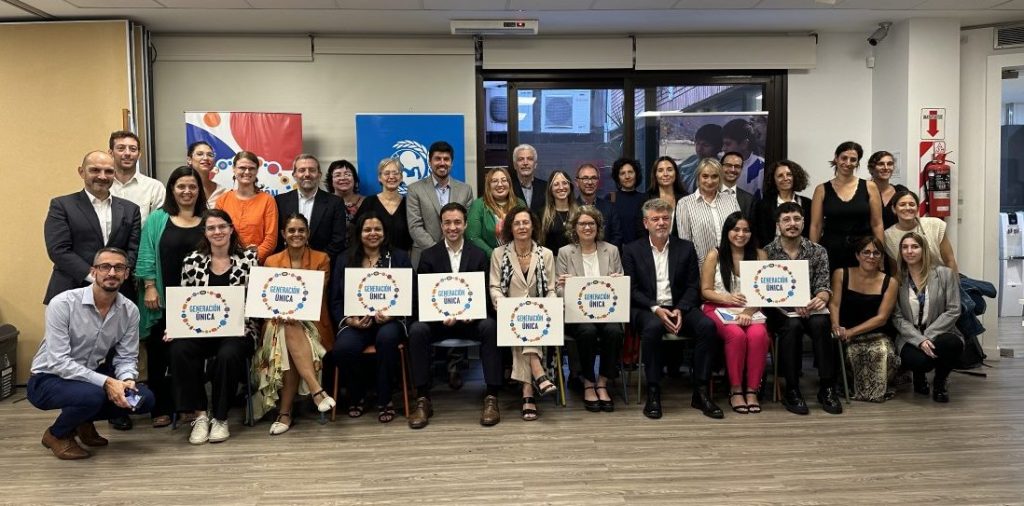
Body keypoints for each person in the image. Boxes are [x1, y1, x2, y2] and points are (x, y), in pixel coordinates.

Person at [27, 247, 155, 460]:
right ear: (93, 272)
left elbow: (126, 357)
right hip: (47, 379)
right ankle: (56, 434)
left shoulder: (130, 310)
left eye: (119, 267)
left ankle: (82, 420)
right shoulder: (63, 303)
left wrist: (127, 380)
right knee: (93, 396)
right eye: (105, 267)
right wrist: (107, 383)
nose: (112, 272)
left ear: (126, 273)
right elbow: (59, 362)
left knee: (142, 400)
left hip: (88, 379)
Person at [622, 198, 722, 420]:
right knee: (652, 328)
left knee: (707, 326)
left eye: (665, 218)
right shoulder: (632, 250)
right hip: (647, 308)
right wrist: (656, 308)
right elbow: (631, 289)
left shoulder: (685, 247)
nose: (661, 223)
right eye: (655, 219)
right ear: (646, 223)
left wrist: (680, 309)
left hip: (679, 306)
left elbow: (693, 285)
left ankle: (701, 391)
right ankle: (653, 391)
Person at [168, 209, 260, 444]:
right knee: (179, 349)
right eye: (211, 228)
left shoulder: (248, 260)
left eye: (222, 226)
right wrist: (175, 327)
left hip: (238, 330)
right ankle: (199, 416)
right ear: (205, 232)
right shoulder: (192, 261)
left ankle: (220, 417)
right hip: (200, 330)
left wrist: (243, 322)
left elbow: (255, 301)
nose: (217, 231)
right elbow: (186, 301)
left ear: (231, 229)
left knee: (228, 354)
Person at [407, 203, 503, 428]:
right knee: (417, 330)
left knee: (490, 326)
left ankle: (491, 396)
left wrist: (474, 313)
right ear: (441, 225)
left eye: (457, 222)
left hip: (470, 321)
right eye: (447, 223)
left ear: (465, 224)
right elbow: (422, 296)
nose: (452, 227)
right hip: (439, 322)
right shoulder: (429, 255)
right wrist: (438, 315)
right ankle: (423, 398)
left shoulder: (478, 254)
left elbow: (484, 293)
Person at [135, 166, 207, 428]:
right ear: (172, 190)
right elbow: (146, 252)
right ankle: (161, 407)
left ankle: (187, 405)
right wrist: (150, 286)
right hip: (163, 297)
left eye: (192, 186)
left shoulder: (208, 218)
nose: (187, 191)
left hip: (199, 302)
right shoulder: (158, 218)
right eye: (181, 186)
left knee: (188, 353)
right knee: (158, 351)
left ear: (199, 190)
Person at [253, 213, 335, 435]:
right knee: (286, 328)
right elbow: (267, 299)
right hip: (276, 322)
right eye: (291, 230)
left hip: (313, 323)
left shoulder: (321, 259)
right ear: (283, 234)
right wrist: (281, 312)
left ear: (308, 234)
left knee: (289, 334)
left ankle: (285, 413)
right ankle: (317, 391)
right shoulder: (271, 261)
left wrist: (293, 313)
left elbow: (315, 297)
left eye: (301, 230)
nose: (296, 234)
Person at [329, 212, 412, 423]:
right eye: (367, 229)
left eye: (377, 229)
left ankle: (385, 398)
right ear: (359, 233)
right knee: (343, 349)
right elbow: (336, 299)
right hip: (356, 323)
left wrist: (393, 314)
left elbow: (411, 294)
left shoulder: (399, 258)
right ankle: (358, 394)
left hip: (390, 321)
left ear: (385, 233)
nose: (372, 233)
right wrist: (349, 320)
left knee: (387, 339)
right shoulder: (345, 259)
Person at [764, 202, 843, 415]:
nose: (792, 224)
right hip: (781, 310)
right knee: (793, 326)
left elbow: (823, 284)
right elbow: (766, 291)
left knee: (821, 323)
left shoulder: (817, 251)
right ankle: (792, 389)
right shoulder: (767, 253)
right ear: (778, 224)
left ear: (803, 222)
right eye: (786, 220)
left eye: (796, 219)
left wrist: (822, 296)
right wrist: (791, 302)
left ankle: (827, 387)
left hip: (811, 307)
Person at [488, 206, 558, 421]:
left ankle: (528, 392)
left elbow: (551, 289)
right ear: (510, 228)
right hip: (509, 312)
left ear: (533, 226)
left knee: (527, 326)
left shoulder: (546, 254)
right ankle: (537, 375)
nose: (521, 227)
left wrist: (550, 306)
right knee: (520, 324)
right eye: (516, 223)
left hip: (539, 315)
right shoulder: (499, 253)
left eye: (525, 222)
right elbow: (495, 287)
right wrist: (503, 304)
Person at [44, 151, 141, 305]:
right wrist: (95, 276)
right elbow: (58, 250)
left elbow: (133, 250)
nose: (102, 176)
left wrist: (115, 275)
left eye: (108, 171)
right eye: (95, 170)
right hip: (71, 290)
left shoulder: (131, 209)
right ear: (81, 172)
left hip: (118, 292)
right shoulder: (62, 206)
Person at [555, 206, 624, 413]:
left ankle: (602, 382)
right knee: (587, 331)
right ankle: (587, 381)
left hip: (607, 313)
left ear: (598, 226)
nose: (587, 227)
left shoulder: (611, 250)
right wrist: (566, 287)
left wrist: (618, 281)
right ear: (574, 228)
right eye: (582, 224)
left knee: (615, 331)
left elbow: (621, 284)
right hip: (577, 315)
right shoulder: (565, 252)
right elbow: (557, 290)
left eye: (591, 223)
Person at [699, 212, 770, 414]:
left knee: (759, 335)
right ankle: (736, 389)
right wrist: (727, 298)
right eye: (736, 229)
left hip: (751, 310)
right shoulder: (714, 255)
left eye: (746, 230)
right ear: (727, 232)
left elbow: (763, 291)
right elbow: (705, 291)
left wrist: (748, 311)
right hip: (718, 307)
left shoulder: (760, 255)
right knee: (736, 335)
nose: (741, 234)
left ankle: (752, 390)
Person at [891, 232, 964, 403]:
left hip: (940, 331)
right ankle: (919, 376)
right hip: (910, 335)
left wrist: (928, 336)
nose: (909, 251)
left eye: (915, 247)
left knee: (952, 344)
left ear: (924, 249)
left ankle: (940, 382)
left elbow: (954, 309)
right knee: (920, 362)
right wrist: (919, 340)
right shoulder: (897, 280)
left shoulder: (945, 274)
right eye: (905, 247)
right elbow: (897, 317)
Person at [829, 236, 899, 402]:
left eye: (876, 253)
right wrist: (836, 327)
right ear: (857, 255)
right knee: (849, 353)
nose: (871, 256)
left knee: (883, 352)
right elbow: (834, 304)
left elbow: (882, 318)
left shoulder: (890, 282)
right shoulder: (841, 274)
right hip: (844, 333)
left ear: (881, 257)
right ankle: (848, 386)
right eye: (866, 252)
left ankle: (876, 390)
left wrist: (852, 332)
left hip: (876, 333)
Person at [810, 141, 884, 271]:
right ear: (836, 158)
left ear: (857, 162)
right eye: (844, 158)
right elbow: (816, 226)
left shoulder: (870, 187)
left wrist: (880, 256)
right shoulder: (821, 189)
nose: (848, 163)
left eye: (853, 159)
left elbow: (877, 224)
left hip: (863, 252)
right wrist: (814, 256)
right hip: (831, 250)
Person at [406, 141, 475, 266]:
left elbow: (467, 224)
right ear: (429, 162)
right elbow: (415, 227)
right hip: (424, 256)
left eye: (446, 159)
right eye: (437, 159)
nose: (442, 163)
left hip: (457, 256)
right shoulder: (414, 189)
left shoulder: (466, 190)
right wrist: (438, 252)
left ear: (451, 163)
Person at [274, 153, 346, 262]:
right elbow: (277, 238)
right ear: (294, 175)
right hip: (287, 264)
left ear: (319, 175)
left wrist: (317, 261)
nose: (307, 174)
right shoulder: (280, 201)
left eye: (312, 170)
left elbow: (338, 239)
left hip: (323, 264)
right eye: (302, 170)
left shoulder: (335, 202)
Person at [215, 150, 278, 263]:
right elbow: (216, 233)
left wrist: (250, 259)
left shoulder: (268, 200)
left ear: (257, 171)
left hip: (256, 264)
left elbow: (271, 239)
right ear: (234, 169)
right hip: (226, 262)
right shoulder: (222, 200)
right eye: (242, 168)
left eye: (251, 168)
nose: (247, 172)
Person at [675, 158, 741, 266]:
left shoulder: (731, 200)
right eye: (705, 176)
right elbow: (685, 243)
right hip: (701, 268)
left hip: (731, 265)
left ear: (720, 178)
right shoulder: (685, 204)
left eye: (714, 176)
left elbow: (739, 232)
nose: (710, 181)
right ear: (698, 177)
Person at [883, 189, 959, 275]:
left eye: (912, 204)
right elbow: (896, 270)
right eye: (902, 204)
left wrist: (953, 282)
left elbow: (949, 260)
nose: (907, 208)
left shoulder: (935, 225)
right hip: (911, 281)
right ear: (894, 209)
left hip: (942, 278)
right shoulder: (888, 236)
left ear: (918, 208)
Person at [354, 158, 414, 253]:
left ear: (401, 177)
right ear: (379, 178)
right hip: (374, 258)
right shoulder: (369, 202)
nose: (391, 177)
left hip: (403, 259)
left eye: (395, 173)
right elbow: (356, 231)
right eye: (387, 173)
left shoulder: (409, 204)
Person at [108, 130, 165, 226]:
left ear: (139, 155)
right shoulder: (103, 186)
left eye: (133, 149)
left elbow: (158, 226)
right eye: (121, 148)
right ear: (111, 153)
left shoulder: (154, 187)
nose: (127, 153)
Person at [466, 166, 525, 258]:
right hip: (488, 260)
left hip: (518, 258)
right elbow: (473, 237)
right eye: (494, 181)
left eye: (504, 180)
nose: (500, 184)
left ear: (509, 183)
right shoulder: (478, 205)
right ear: (488, 185)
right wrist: (494, 255)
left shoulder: (520, 204)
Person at [752, 160, 813, 248]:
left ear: (795, 177)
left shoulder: (807, 204)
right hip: (770, 253)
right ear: (773, 180)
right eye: (780, 176)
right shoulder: (763, 205)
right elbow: (759, 235)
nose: (785, 178)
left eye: (789, 174)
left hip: (802, 253)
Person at [721, 118, 765, 197]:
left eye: (728, 144)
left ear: (744, 144)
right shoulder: (719, 164)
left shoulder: (761, 168)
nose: (723, 148)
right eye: (723, 144)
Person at [605, 157, 646, 243]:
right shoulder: (610, 198)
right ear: (618, 177)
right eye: (622, 173)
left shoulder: (645, 199)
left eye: (630, 172)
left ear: (636, 174)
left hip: (640, 248)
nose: (627, 176)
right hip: (616, 249)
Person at [646, 155, 687, 237]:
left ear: (676, 173)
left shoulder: (686, 199)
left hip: (680, 244)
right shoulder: (646, 199)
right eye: (660, 170)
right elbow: (641, 230)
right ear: (655, 175)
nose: (665, 174)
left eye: (669, 170)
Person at [539, 170, 577, 256]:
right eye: (556, 184)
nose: (561, 187)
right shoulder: (542, 215)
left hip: (575, 261)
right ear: (550, 189)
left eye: (564, 183)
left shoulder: (579, 213)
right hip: (552, 261)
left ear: (570, 186)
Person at [867, 150, 908, 229]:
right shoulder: (863, 192)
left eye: (889, 164)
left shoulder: (900, 191)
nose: (886, 168)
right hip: (869, 236)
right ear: (871, 169)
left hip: (895, 236)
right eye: (881, 164)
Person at [678, 124, 723, 193]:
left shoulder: (720, 169)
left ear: (718, 148)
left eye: (705, 145)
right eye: (697, 143)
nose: (699, 149)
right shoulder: (692, 160)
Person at [326, 159, 364, 238]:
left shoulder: (366, 202)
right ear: (331, 180)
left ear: (354, 179)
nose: (343, 178)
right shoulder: (324, 202)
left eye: (347, 174)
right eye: (337, 175)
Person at [186, 141, 229, 208]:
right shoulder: (182, 189)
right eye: (200, 154)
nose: (205, 158)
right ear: (189, 160)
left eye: (210, 155)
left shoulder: (223, 192)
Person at [509, 143, 547, 216]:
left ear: (535, 164)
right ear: (515, 165)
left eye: (530, 159)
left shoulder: (546, 187)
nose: (525, 163)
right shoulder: (508, 187)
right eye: (521, 159)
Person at [719, 151, 756, 219]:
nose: (732, 170)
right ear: (720, 167)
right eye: (728, 165)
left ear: (741, 169)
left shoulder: (749, 200)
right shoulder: (708, 193)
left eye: (737, 166)